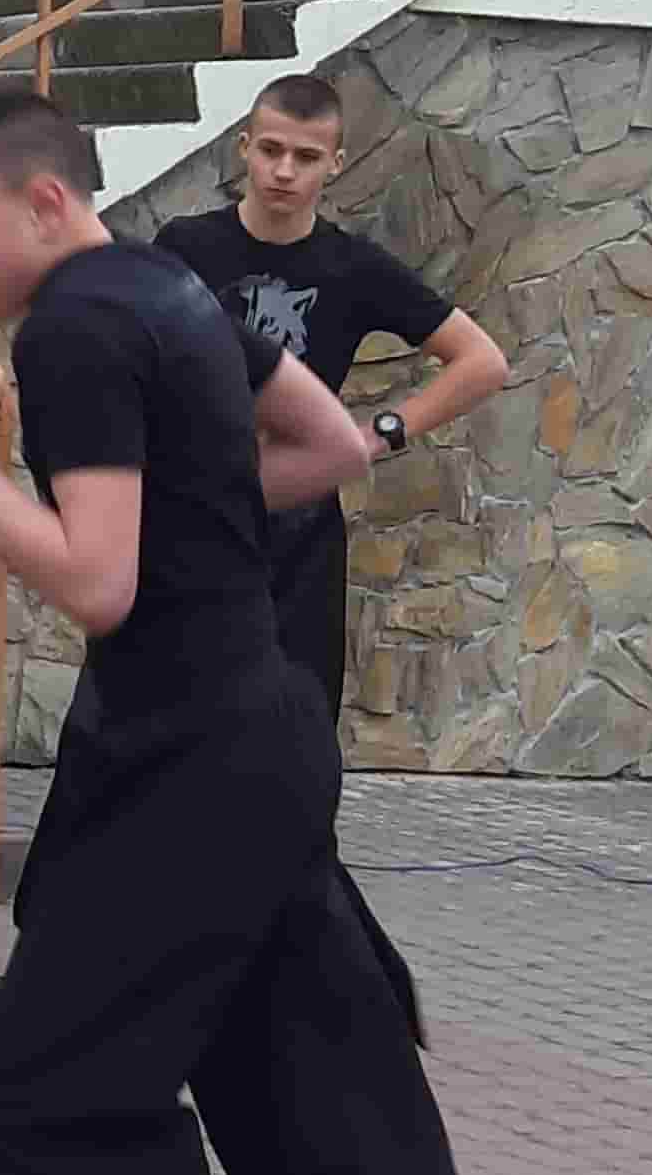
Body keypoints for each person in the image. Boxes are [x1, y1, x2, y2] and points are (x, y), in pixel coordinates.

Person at [0, 80, 575, 1175]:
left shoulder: (73, 326)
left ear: (45, 203)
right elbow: (330, 447)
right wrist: (193, 515)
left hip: (183, 764)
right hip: (268, 733)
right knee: (321, 1087)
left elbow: (97, 584)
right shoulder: (170, 285)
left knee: (47, 1099)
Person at [152, 71, 511, 719]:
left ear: (336, 164)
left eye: (307, 156)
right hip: (192, 511)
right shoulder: (185, 246)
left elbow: (482, 361)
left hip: (299, 529)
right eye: (271, 150)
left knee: (293, 728)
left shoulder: (352, 267)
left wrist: (376, 437)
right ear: (244, 147)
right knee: (171, 715)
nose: (284, 171)